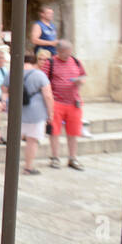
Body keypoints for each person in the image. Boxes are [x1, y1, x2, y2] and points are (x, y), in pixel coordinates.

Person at [44, 39, 86, 171]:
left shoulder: (76, 61)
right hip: (57, 102)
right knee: (55, 132)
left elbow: (83, 76)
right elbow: (44, 82)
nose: (68, 55)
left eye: (69, 52)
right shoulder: (50, 63)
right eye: (65, 53)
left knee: (73, 132)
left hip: (74, 102)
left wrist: (80, 82)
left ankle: (72, 157)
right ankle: (55, 157)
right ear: (58, 51)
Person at [21, 51, 54, 175]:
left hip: (17, 111)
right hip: (36, 112)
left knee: (16, 139)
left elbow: (4, 89)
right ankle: (28, 167)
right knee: (32, 140)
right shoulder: (39, 75)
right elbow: (48, 95)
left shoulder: (12, 72)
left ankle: (12, 165)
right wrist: (50, 113)